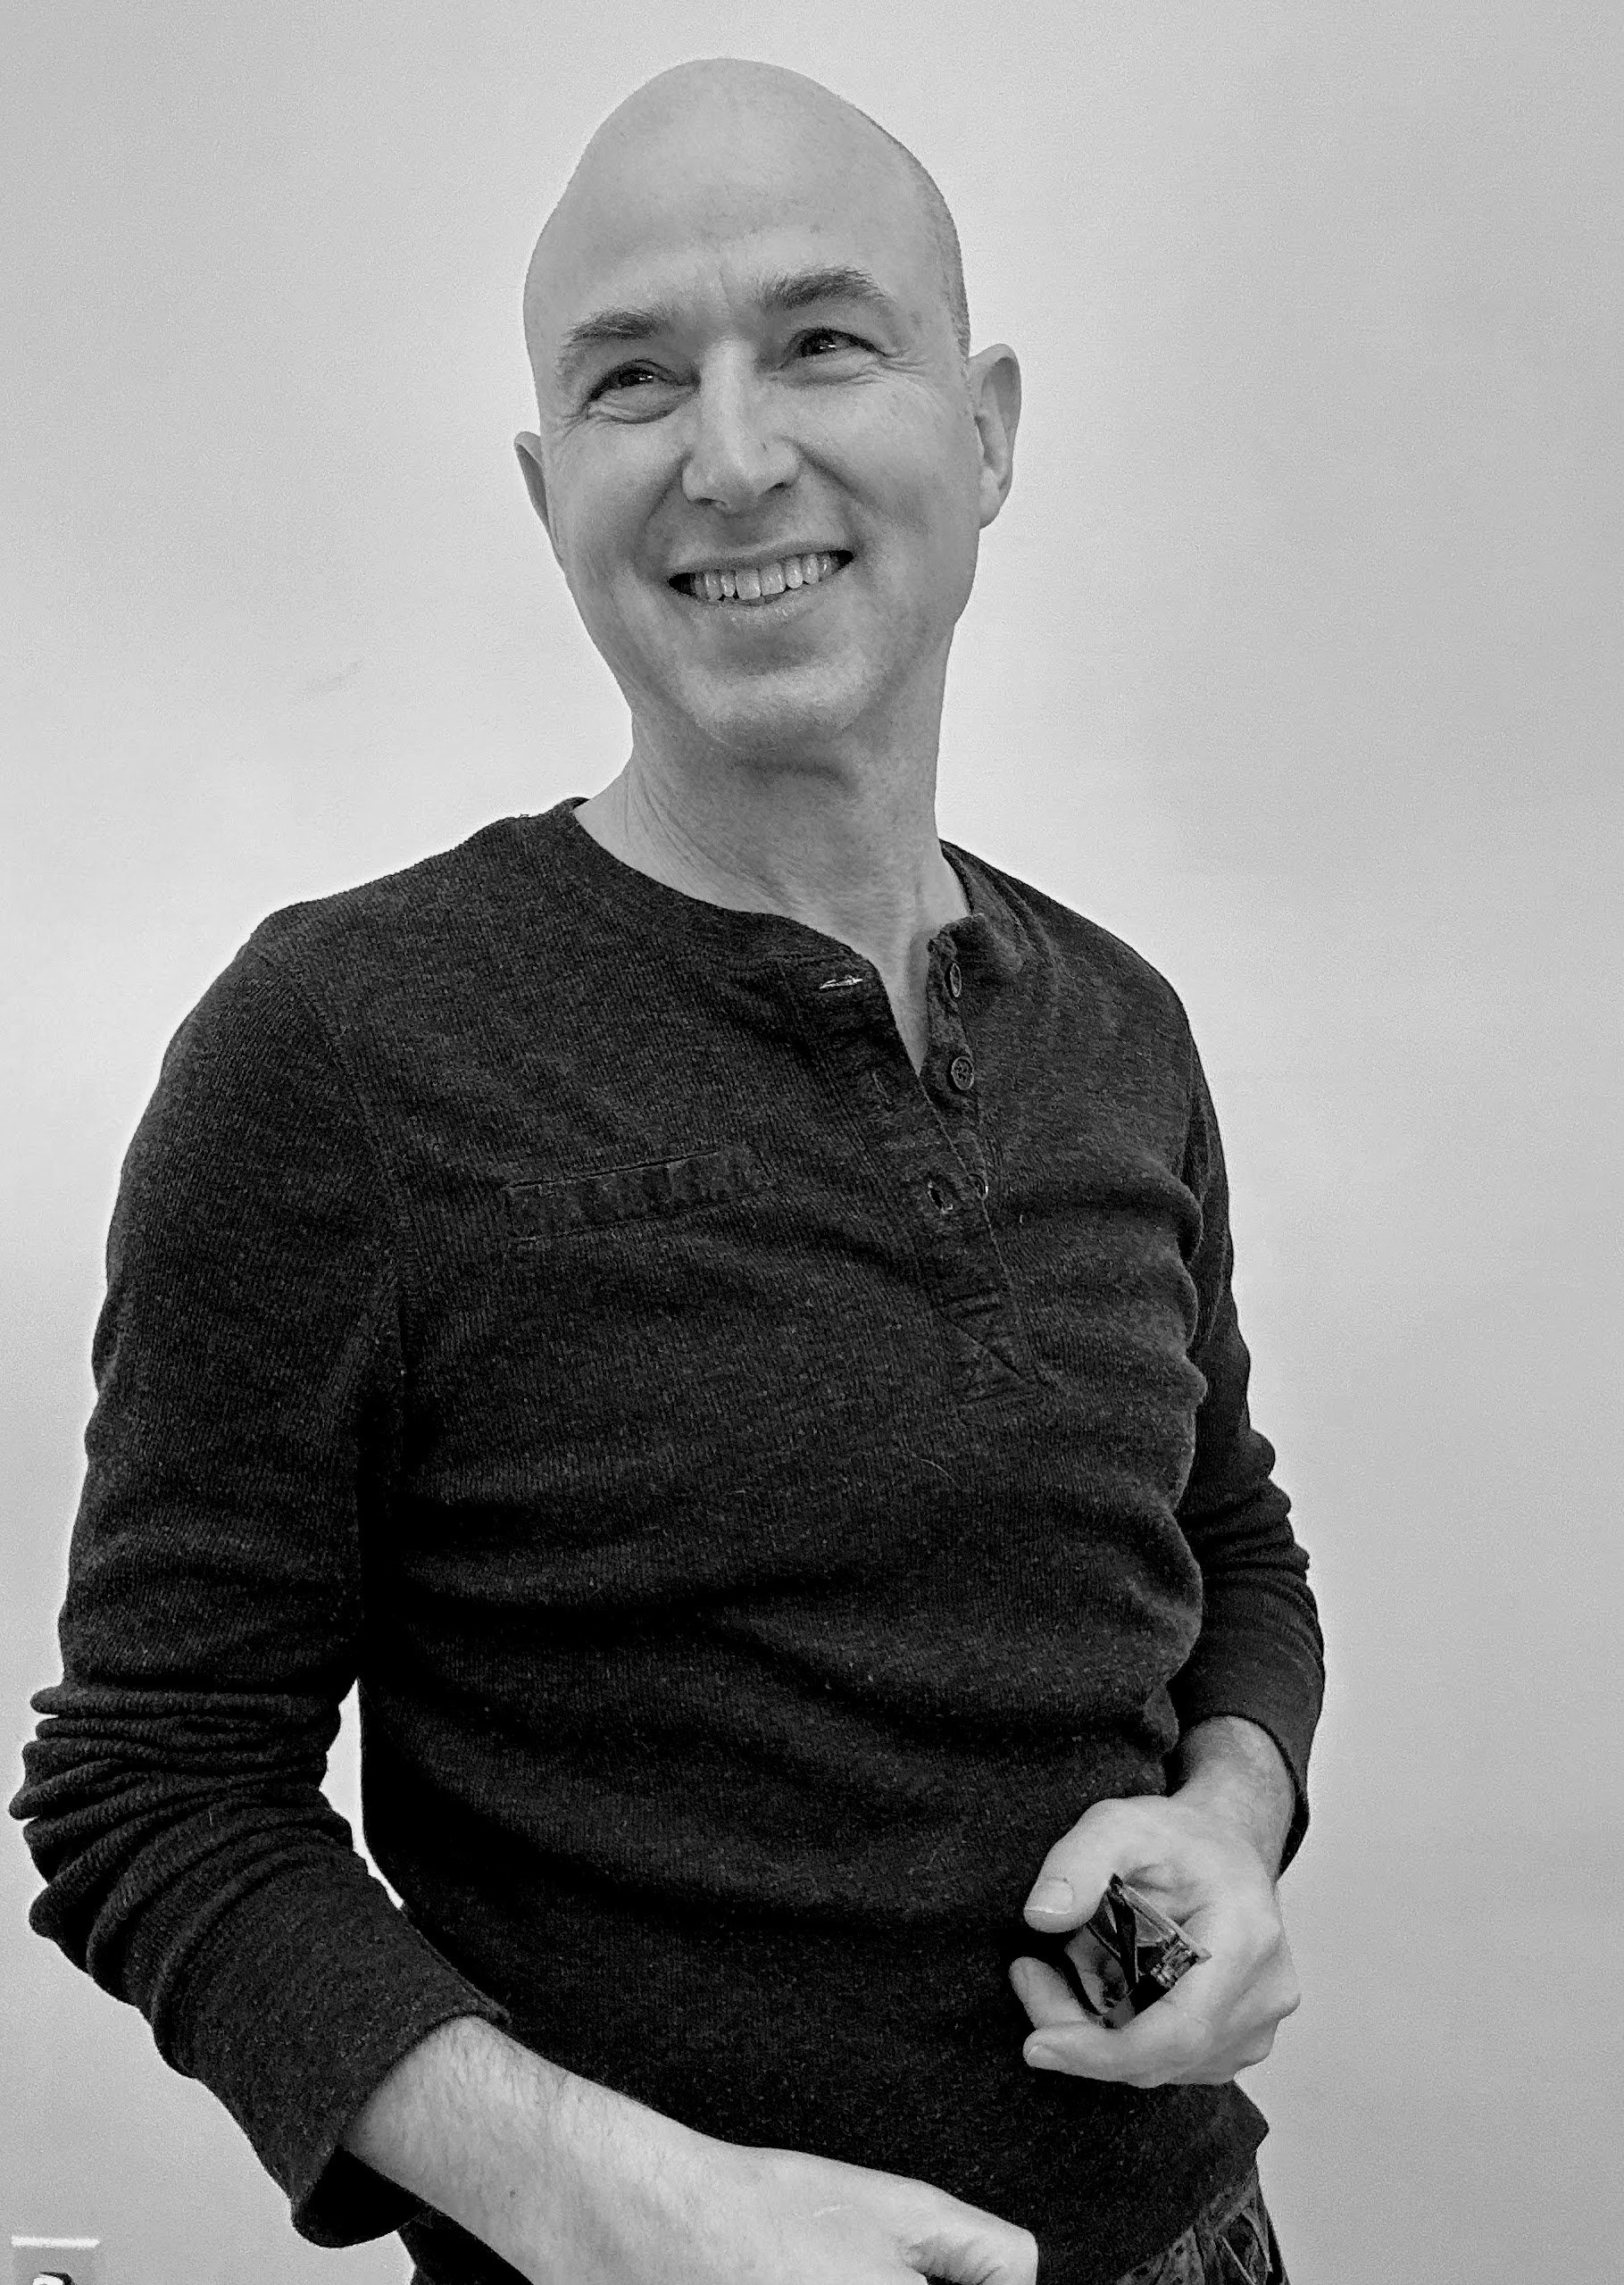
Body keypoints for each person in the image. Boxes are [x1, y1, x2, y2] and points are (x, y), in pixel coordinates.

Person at [12, 55, 1323, 2285]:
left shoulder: (1121, 1025)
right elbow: (153, 1788)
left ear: (984, 429)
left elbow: (1226, 1543)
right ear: (550, 491)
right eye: (634, 378)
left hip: (1203, 2237)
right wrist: (615, 2202)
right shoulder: (334, 1050)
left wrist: (1230, 1807)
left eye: (820, 341)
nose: (731, 454)